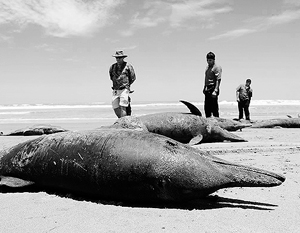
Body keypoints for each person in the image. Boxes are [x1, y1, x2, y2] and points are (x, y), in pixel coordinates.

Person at [109, 50, 136, 118]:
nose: (118, 59)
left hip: (124, 88)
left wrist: (127, 85)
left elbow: (133, 77)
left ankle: (124, 121)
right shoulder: (112, 67)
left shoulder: (128, 66)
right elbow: (111, 77)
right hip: (115, 89)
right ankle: (120, 119)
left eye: (119, 58)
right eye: (116, 58)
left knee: (123, 105)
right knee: (115, 106)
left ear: (123, 58)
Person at [203, 52, 222, 117]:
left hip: (213, 87)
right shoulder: (208, 67)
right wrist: (204, 87)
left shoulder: (217, 67)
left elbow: (218, 79)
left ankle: (217, 122)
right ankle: (208, 120)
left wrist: (216, 90)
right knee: (207, 107)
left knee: (214, 107)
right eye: (207, 60)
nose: (208, 62)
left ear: (214, 60)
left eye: (210, 60)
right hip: (208, 88)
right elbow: (206, 78)